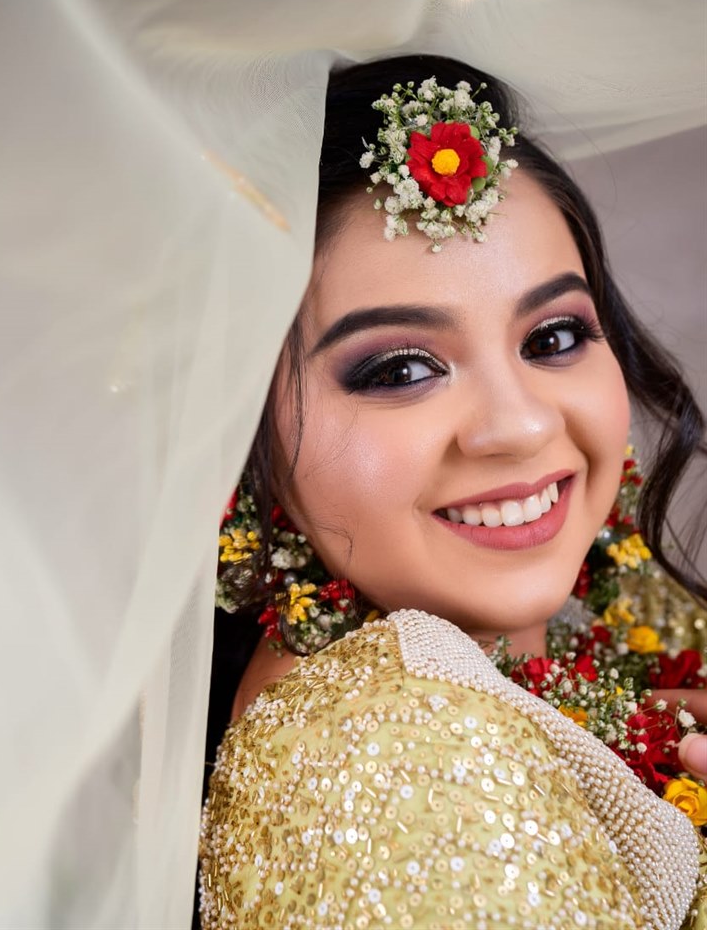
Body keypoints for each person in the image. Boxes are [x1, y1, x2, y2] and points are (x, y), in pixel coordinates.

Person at [199, 55, 707, 929]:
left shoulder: (605, 602)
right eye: (401, 369)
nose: (520, 426)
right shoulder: (386, 768)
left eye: (553, 337)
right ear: (244, 433)